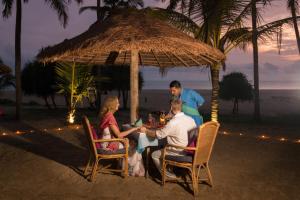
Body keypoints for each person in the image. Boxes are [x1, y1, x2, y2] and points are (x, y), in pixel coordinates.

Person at [140, 99, 196, 178]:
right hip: (190, 150)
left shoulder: (173, 122)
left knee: (154, 155)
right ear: (181, 108)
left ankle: (168, 175)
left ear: (171, 109)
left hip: (177, 152)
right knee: (165, 144)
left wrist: (146, 130)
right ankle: (170, 168)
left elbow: (158, 135)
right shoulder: (191, 120)